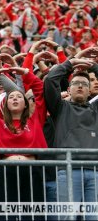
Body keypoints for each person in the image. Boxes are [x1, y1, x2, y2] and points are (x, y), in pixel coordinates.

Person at [0, 65, 47, 220]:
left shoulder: (35, 119)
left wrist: (25, 73)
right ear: (5, 104)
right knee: (5, 216)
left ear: (26, 103)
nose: (15, 98)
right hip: (6, 173)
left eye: (19, 96)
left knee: (33, 216)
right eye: (11, 97)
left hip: (32, 172)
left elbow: (39, 89)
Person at [44, 50, 98, 220]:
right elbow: (50, 80)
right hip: (68, 169)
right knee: (67, 217)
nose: (80, 85)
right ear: (68, 89)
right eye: (76, 83)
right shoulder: (60, 108)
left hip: (95, 171)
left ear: (90, 91)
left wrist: (93, 66)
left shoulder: (95, 110)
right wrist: (71, 63)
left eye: (84, 83)